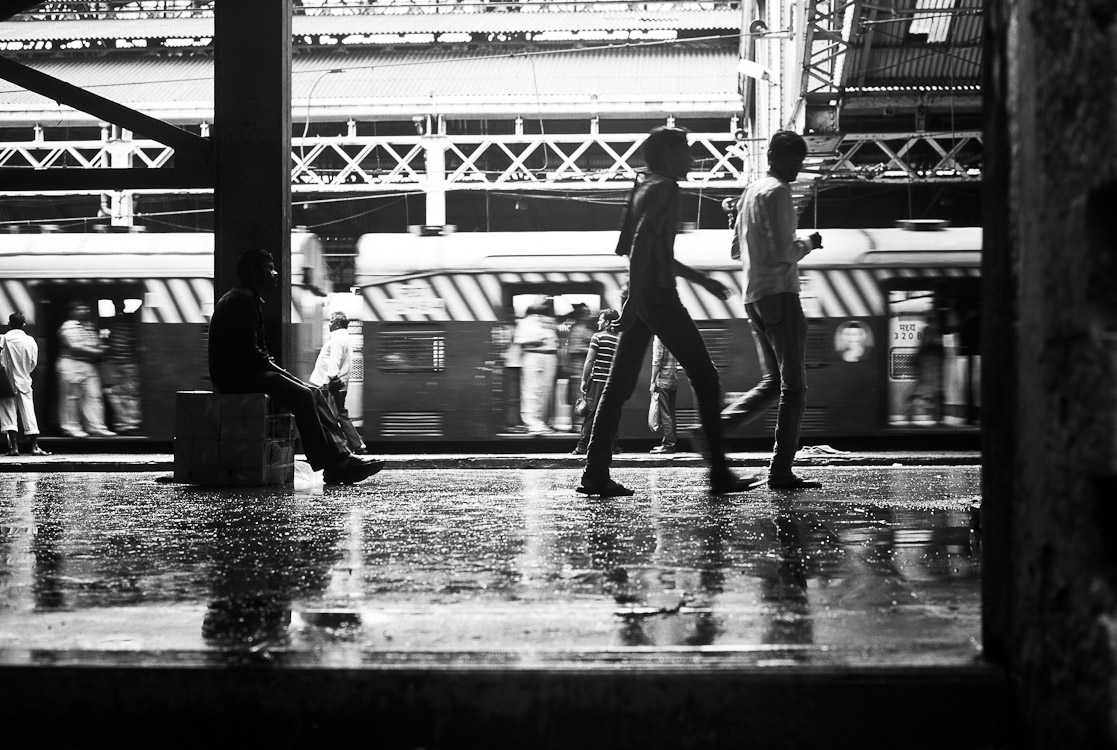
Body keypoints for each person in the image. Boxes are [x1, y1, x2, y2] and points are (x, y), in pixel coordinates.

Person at [577, 125, 759, 497]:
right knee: (705, 378)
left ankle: (594, 471)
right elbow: (643, 244)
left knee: (617, 386)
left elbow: (638, 247)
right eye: (685, 151)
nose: (691, 159)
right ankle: (719, 473)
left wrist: (642, 297)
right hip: (658, 297)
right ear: (666, 154)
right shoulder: (665, 188)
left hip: (645, 294)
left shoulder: (642, 187)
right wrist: (640, 301)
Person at [208, 249, 383, 485]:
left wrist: (282, 373)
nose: (275, 272)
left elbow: (257, 353)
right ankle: (332, 464)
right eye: (269, 267)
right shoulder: (240, 302)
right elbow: (250, 355)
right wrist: (285, 375)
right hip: (237, 376)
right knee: (302, 395)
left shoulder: (247, 299)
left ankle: (340, 457)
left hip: (245, 372)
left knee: (312, 392)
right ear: (252, 271)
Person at [720, 130, 823, 490]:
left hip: (754, 297)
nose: (799, 167)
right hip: (780, 294)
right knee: (794, 388)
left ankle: (713, 430)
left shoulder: (750, 192)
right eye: (795, 159)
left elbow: (735, 250)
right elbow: (784, 251)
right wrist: (809, 242)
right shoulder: (778, 192)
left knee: (773, 382)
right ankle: (780, 470)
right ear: (777, 157)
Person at [308, 311, 366, 454]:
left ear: (338, 323)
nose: (329, 324)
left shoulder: (337, 339)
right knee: (340, 414)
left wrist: (326, 383)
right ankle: (356, 445)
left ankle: (340, 447)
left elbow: (334, 362)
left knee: (329, 417)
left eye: (331, 321)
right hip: (338, 384)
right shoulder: (344, 338)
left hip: (331, 384)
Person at [56, 301, 115, 438]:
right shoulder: (68, 326)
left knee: (94, 396)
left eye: (85, 308)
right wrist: (98, 352)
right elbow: (75, 346)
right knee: (71, 397)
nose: (84, 310)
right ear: (72, 311)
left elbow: (96, 343)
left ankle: (96, 426)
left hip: (88, 365)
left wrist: (97, 348)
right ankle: (71, 427)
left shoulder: (89, 326)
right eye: (79, 308)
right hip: (71, 364)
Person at [572, 308, 621, 456]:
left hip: (598, 382)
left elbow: (589, 360)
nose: (598, 322)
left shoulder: (597, 337)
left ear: (606, 322)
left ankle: (582, 446)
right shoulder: (619, 340)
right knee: (611, 414)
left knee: (592, 413)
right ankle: (613, 447)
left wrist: (584, 380)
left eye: (600, 319)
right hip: (613, 384)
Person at [0, 312, 48, 456]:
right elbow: (33, 362)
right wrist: (25, 372)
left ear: (9, 323)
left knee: (8, 413)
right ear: (24, 324)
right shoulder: (30, 341)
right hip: (24, 381)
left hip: (6, 382)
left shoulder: (3, 339)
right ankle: (34, 446)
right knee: (28, 412)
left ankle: (13, 448)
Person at [513, 301, 559, 436]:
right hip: (532, 355)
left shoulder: (549, 321)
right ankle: (532, 424)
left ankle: (542, 422)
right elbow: (520, 341)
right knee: (531, 390)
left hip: (550, 355)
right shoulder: (525, 322)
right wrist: (538, 339)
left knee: (546, 390)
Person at [102, 300, 143, 434]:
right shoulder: (120, 321)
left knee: (126, 395)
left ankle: (128, 424)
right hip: (120, 363)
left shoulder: (115, 321)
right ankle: (125, 424)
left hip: (125, 364)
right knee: (121, 395)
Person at [648, 336, 678, 453]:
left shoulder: (659, 338)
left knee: (665, 413)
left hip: (663, 380)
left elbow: (657, 360)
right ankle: (671, 442)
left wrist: (652, 381)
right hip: (673, 379)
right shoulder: (672, 337)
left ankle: (669, 444)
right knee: (671, 413)